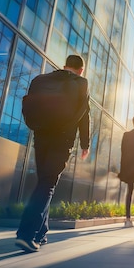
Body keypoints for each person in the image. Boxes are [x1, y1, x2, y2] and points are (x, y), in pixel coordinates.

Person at [15, 55, 90, 252]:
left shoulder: (41, 79)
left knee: (44, 182)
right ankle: (26, 234)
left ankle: (41, 232)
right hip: (62, 138)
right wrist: (85, 143)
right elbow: (84, 114)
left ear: (64, 66)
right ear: (81, 70)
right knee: (47, 184)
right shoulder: (82, 83)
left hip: (41, 135)